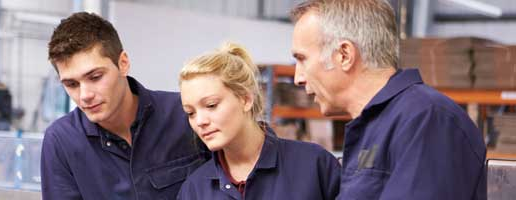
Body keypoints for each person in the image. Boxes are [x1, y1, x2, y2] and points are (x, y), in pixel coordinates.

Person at [290, 0, 486, 199]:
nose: (298, 78)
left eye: (302, 59)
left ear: (344, 55)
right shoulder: (376, 126)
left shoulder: (427, 120)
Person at [41, 12, 209, 199]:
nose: (85, 95)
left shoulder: (185, 114)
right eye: (72, 84)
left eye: (95, 77)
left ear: (123, 63)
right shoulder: (61, 140)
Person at [176, 42, 341, 200]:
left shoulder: (315, 165)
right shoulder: (194, 190)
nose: (200, 121)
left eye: (211, 105)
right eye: (190, 113)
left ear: (246, 100)